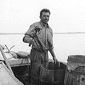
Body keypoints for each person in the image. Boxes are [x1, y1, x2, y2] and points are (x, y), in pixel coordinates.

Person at [23, 8, 58, 85]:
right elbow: (25, 38)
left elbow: (50, 46)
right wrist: (30, 40)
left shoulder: (50, 30)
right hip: (36, 54)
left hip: (45, 55)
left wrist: (54, 56)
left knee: (44, 76)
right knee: (35, 76)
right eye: (44, 16)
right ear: (40, 16)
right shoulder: (35, 26)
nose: (46, 18)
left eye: (48, 16)